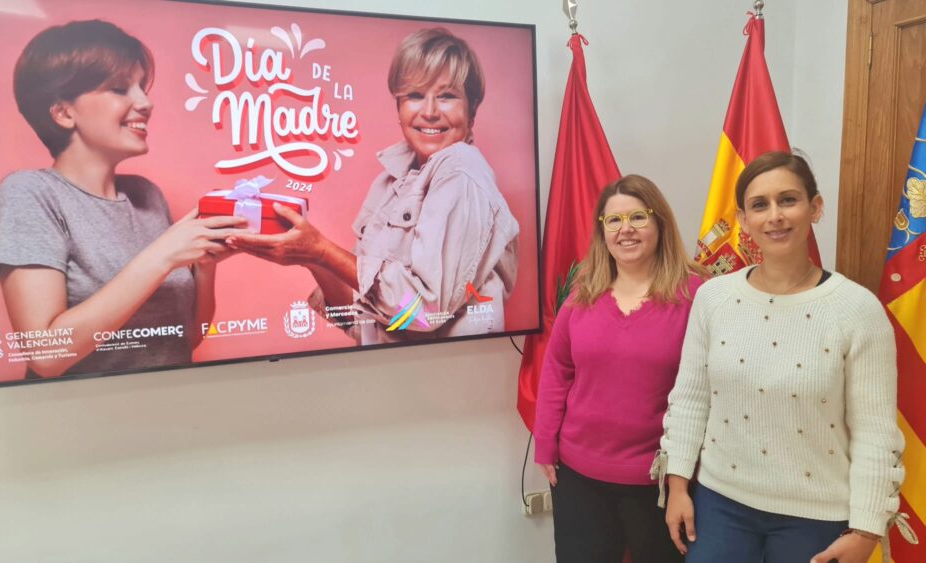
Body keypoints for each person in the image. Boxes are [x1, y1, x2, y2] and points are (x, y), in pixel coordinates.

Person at [658, 152, 917, 563]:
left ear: (815, 208)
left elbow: (874, 432)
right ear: (743, 219)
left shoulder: (856, 309)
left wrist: (866, 529)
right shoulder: (713, 298)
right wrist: (676, 486)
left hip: (817, 516)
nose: (775, 216)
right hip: (719, 504)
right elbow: (691, 398)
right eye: (760, 205)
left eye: (788, 200)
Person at [0, 20, 246, 378]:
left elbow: (189, 337)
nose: (146, 103)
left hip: (174, 402)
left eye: (142, 88)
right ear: (63, 112)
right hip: (80, 411)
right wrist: (163, 256)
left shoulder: (146, 195)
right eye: (120, 88)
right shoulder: (29, 194)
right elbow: (45, 356)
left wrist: (205, 263)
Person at [228, 28, 519, 344]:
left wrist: (322, 250)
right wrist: (311, 257)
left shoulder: (461, 169)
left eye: (447, 96)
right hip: (387, 369)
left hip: (444, 371)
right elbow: (366, 323)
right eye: (415, 95)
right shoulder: (388, 183)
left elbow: (424, 311)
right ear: (399, 108)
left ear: (471, 110)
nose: (430, 112)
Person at [534, 174, 704, 563]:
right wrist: (545, 442)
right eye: (613, 220)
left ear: (660, 223)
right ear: (602, 232)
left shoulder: (695, 297)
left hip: (661, 481)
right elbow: (557, 371)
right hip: (579, 477)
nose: (625, 230)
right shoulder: (582, 295)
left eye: (638, 217)